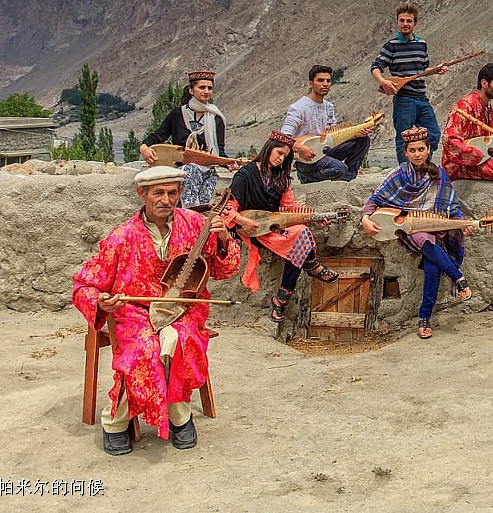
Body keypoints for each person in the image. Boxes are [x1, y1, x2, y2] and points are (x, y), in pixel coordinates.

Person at [72, 166, 240, 454]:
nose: (166, 199)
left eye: (172, 193)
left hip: (184, 309)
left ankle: (179, 416)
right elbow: (84, 285)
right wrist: (100, 301)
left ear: (180, 193)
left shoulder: (195, 225)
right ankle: (115, 422)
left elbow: (225, 269)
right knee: (144, 348)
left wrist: (224, 238)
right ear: (142, 194)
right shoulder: (122, 236)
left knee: (177, 340)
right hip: (135, 311)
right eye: (158, 193)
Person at [359, 127, 475, 339]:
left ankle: (424, 317)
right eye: (412, 150)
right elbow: (374, 200)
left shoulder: (438, 174)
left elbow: (452, 206)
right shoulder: (398, 175)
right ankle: (457, 277)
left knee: (433, 269)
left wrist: (461, 223)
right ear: (405, 152)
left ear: (428, 149)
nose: (417, 154)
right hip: (408, 227)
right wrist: (366, 219)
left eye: (421, 149)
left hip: (435, 227)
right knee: (422, 237)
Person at [221, 131, 340, 323]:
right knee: (301, 237)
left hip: (272, 224)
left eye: (285, 156)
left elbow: (291, 206)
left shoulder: (281, 177)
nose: (281, 159)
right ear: (268, 149)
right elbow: (228, 208)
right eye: (279, 153)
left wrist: (313, 217)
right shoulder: (245, 175)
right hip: (253, 228)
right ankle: (309, 268)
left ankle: (284, 296)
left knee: (301, 234)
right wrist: (243, 221)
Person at [139, 70, 236, 210]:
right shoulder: (177, 114)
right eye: (202, 87)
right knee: (192, 170)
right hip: (182, 168)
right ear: (191, 90)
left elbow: (218, 151)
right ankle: (188, 212)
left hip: (207, 170)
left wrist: (228, 164)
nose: (206, 91)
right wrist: (144, 147)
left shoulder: (216, 118)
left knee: (206, 196)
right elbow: (158, 136)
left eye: (209, 88)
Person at [371, 3, 448, 164]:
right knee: (403, 138)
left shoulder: (422, 44)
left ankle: (422, 167)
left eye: (409, 21)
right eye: (402, 20)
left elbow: (422, 70)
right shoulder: (391, 46)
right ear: (397, 22)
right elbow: (376, 67)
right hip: (404, 100)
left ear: (415, 23)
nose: (405, 24)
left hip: (421, 98)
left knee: (433, 134)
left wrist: (436, 70)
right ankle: (405, 172)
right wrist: (383, 82)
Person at [281, 64, 371, 184]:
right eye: (320, 80)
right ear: (311, 83)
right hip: (307, 159)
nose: (325, 84)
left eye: (328, 81)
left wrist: (355, 134)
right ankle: (308, 176)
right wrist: (300, 148)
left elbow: (333, 134)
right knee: (339, 168)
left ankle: (345, 180)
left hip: (325, 150)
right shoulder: (298, 108)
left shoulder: (329, 107)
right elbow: (282, 137)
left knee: (363, 140)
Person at [442, 63, 493, 184]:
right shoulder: (464, 106)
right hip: (461, 164)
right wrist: (476, 155)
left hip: (484, 154)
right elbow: (449, 140)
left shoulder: (487, 107)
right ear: (484, 83)